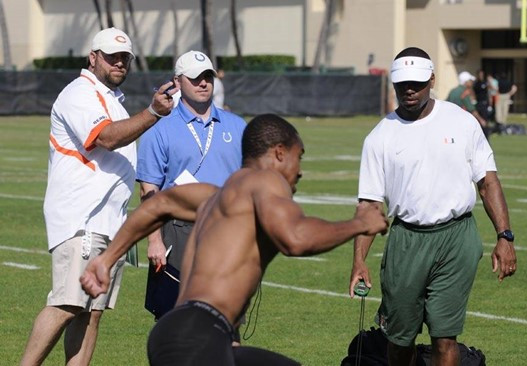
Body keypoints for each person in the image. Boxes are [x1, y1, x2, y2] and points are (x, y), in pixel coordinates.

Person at [81, 113, 390, 366]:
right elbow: (295, 239)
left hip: (186, 333)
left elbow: (156, 206)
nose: (300, 172)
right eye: (300, 158)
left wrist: (106, 260)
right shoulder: (266, 180)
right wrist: (359, 223)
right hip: (197, 337)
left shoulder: (213, 197)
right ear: (280, 153)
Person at [349, 47, 517, 366]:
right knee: (399, 339)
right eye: (402, 84)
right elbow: (370, 205)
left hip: (456, 238)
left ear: (432, 79)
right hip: (406, 240)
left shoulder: (462, 122)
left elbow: (488, 181)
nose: (409, 89)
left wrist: (504, 236)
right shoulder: (379, 137)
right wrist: (359, 260)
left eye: (417, 82)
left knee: (445, 337)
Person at [19, 27, 176, 366]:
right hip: (81, 219)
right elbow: (104, 138)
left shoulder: (113, 102)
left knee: (91, 313)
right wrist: (153, 112)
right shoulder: (79, 93)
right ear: (93, 58)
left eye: (125, 58)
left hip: (110, 223)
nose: (119, 63)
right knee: (68, 304)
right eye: (111, 57)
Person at [137, 51, 246, 320]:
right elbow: (148, 190)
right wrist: (154, 241)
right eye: (195, 78)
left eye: (207, 77)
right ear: (177, 82)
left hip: (227, 229)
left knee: (227, 320)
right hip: (178, 230)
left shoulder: (238, 125)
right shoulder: (159, 129)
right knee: (175, 321)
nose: (203, 83)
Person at [447, 70, 489, 139]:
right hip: (461, 122)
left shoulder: (453, 91)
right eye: (470, 81)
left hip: (451, 120)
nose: (472, 82)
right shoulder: (465, 92)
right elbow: (471, 109)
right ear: (466, 82)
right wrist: (481, 120)